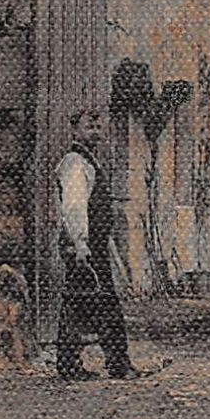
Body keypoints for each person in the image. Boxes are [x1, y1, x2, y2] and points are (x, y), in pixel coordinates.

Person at [55, 107, 141, 381]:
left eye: (98, 127)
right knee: (97, 302)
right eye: (89, 127)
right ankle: (117, 365)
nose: (95, 132)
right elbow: (74, 206)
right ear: (74, 130)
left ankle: (73, 365)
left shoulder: (90, 162)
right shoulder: (74, 163)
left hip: (94, 245)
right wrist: (81, 244)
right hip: (83, 247)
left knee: (82, 303)